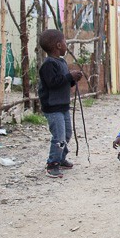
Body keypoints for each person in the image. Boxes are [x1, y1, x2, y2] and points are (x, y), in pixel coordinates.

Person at [38, 29, 83, 179]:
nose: (66, 45)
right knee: (59, 136)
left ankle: (61, 158)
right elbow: (53, 83)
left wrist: (72, 79)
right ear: (58, 45)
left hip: (63, 106)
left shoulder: (61, 62)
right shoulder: (48, 65)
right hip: (53, 107)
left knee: (67, 134)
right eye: (64, 42)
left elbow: (63, 82)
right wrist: (68, 76)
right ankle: (52, 164)